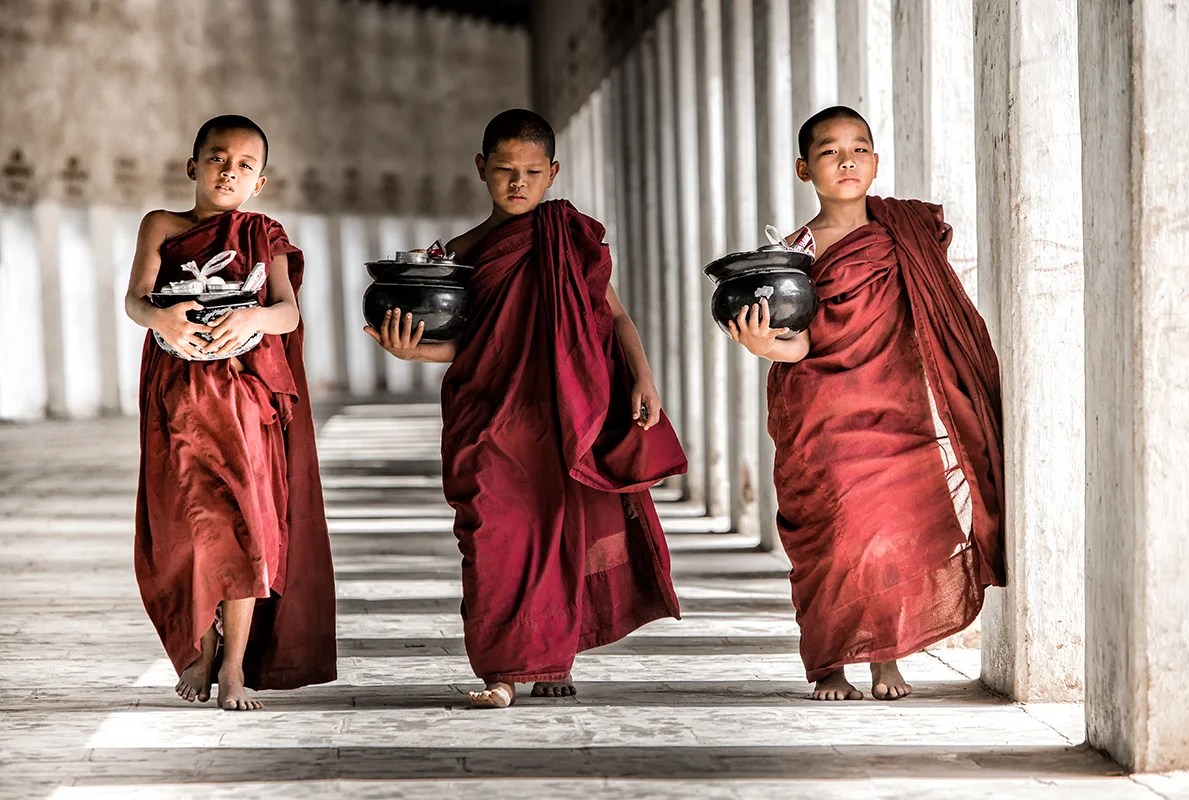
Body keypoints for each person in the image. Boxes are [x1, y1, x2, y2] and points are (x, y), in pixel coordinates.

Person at [366, 108, 687, 709]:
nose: (519, 183)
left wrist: (644, 378)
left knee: (556, 532)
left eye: (533, 172)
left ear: (553, 172)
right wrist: (409, 349)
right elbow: (467, 342)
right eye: (506, 170)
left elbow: (613, 315)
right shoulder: (455, 255)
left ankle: (548, 659)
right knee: (491, 535)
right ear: (481, 169)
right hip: (486, 418)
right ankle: (501, 670)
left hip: (559, 415)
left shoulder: (564, 239)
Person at [728, 106, 1004, 701]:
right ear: (805, 169)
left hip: (894, 409)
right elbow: (798, 339)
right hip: (819, 415)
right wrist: (761, 343)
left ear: (876, 163)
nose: (846, 159)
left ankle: (885, 659)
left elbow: (935, 314)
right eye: (829, 151)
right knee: (832, 533)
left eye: (859, 148)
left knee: (893, 531)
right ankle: (830, 663)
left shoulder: (903, 235)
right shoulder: (792, 252)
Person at [125, 115, 336, 711]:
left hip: (244, 398)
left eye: (245, 165)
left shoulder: (263, 234)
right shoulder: (161, 226)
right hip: (180, 395)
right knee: (189, 526)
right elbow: (136, 299)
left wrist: (252, 318)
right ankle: (201, 647)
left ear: (260, 182)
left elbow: (286, 313)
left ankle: (237, 666)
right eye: (217, 158)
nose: (229, 172)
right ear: (193, 166)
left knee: (248, 523)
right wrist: (160, 317)